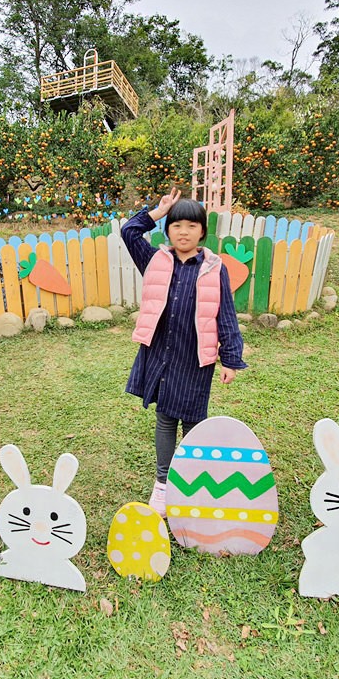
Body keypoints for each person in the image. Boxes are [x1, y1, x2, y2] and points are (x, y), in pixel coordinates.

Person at [121, 187, 247, 516]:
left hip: (195, 356)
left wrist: (231, 358)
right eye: (177, 225)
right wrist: (159, 211)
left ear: (202, 231)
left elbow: (226, 314)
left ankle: (191, 480)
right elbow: (129, 231)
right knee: (165, 418)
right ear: (168, 230)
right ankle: (163, 484)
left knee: (194, 421)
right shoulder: (155, 260)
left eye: (191, 226)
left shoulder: (214, 267)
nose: (184, 232)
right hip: (162, 351)